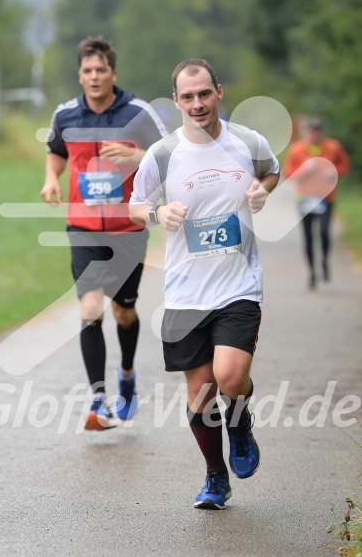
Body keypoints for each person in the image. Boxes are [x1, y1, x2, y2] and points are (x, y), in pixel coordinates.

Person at [129, 59, 279, 509]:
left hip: (239, 284)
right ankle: (216, 477)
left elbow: (271, 169)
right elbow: (136, 205)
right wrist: (159, 214)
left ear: (219, 92)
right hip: (185, 292)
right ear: (176, 101)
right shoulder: (162, 154)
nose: (197, 104)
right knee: (200, 395)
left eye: (204, 94)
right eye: (187, 97)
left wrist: (263, 189)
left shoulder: (248, 142)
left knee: (229, 378)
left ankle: (241, 422)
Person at [41, 36, 167, 430]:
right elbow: (56, 151)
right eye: (87, 71)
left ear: (113, 73)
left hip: (127, 227)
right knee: (91, 308)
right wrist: (51, 179)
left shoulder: (138, 112)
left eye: (101, 70)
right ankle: (99, 400)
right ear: (80, 75)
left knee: (123, 311)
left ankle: (126, 375)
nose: (94, 77)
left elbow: (170, 155)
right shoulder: (65, 114)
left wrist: (134, 156)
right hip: (82, 226)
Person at [283, 117, 349, 289]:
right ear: (306, 132)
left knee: (324, 233)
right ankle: (312, 273)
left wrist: (333, 171)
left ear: (322, 131)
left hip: (326, 198)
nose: (314, 134)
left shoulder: (333, 147)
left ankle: (325, 262)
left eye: (317, 130)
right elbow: (288, 173)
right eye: (311, 131)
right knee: (309, 237)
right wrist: (304, 170)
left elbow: (344, 165)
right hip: (304, 198)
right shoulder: (297, 149)